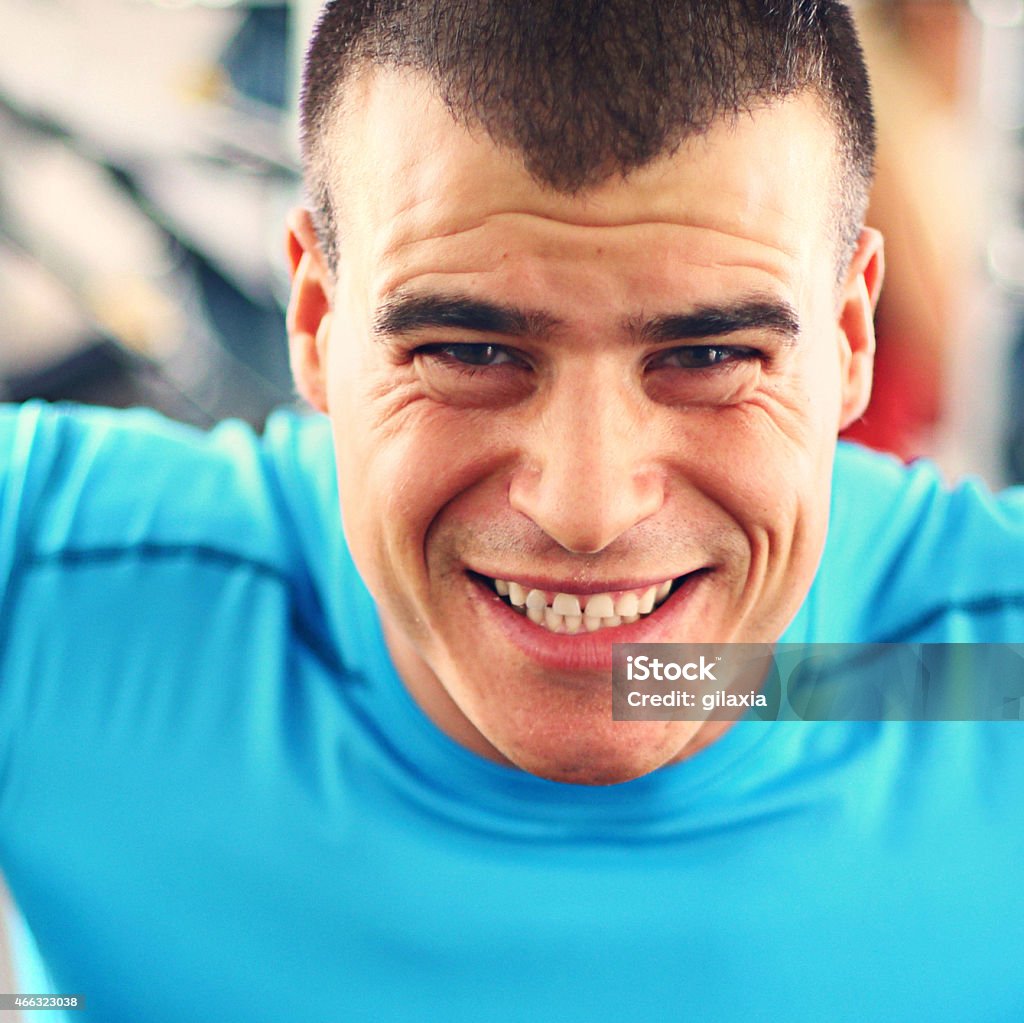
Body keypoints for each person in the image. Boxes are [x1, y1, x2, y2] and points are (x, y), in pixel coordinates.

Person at [0, 1, 1021, 1020]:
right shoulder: (44, 580)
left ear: (849, 336)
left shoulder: (983, 673)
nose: (587, 511)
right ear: (314, 319)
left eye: (709, 355)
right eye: (468, 351)